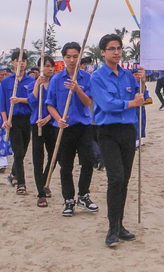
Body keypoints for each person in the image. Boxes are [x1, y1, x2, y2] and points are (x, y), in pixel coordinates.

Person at [90, 34, 145, 247]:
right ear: (103, 52)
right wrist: (131, 103)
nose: (117, 52)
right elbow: (107, 104)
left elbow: (142, 98)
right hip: (108, 132)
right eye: (111, 48)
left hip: (128, 131)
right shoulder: (97, 77)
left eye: (119, 48)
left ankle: (120, 225)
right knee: (116, 178)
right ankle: (112, 228)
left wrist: (142, 81)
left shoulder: (127, 75)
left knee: (125, 179)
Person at [46, 42, 98, 216]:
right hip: (63, 127)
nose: (72, 60)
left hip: (83, 125)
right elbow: (50, 105)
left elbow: (88, 102)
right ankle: (68, 200)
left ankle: (83, 195)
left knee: (88, 162)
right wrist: (58, 119)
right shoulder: (56, 79)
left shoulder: (86, 78)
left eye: (75, 56)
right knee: (65, 166)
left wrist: (77, 89)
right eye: (68, 56)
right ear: (63, 58)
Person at [1, 50, 35, 195]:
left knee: (23, 150)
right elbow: (2, 103)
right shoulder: (6, 81)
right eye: (18, 60)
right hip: (13, 119)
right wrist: (5, 121)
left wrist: (20, 100)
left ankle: (13, 173)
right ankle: (21, 183)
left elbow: (35, 101)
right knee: (18, 152)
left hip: (28, 119)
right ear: (13, 62)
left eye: (23, 61)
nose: (21, 63)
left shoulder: (32, 81)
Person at [27, 57, 58, 207]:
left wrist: (48, 117)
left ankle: (45, 181)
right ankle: (41, 192)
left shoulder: (56, 84)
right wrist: (36, 85)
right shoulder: (34, 84)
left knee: (54, 156)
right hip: (37, 124)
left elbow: (60, 104)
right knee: (38, 158)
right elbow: (32, 103)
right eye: (46, 66)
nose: (49, 69)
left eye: (51, 66)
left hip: (52, 123)